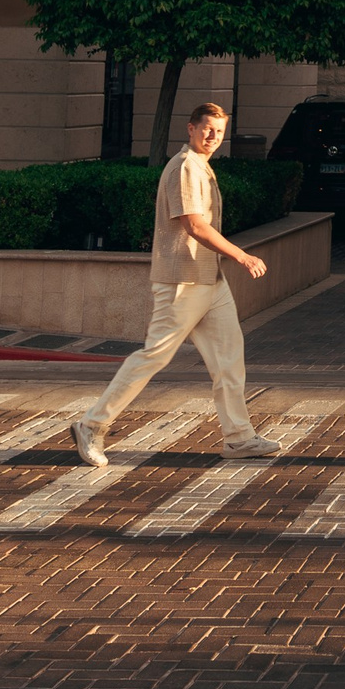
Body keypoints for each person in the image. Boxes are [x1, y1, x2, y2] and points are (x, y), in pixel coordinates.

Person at [71, 102, 277, 467]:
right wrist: (242, 256)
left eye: (219, 131)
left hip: (209, 280)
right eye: (208, 129)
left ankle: (239, 438)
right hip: (182, 281)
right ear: (191, 128)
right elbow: (194, 225)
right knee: (154, 356)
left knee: (229, 358)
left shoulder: (201, 166)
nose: (214, 137)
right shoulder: (185, 167)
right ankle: (91, 426)